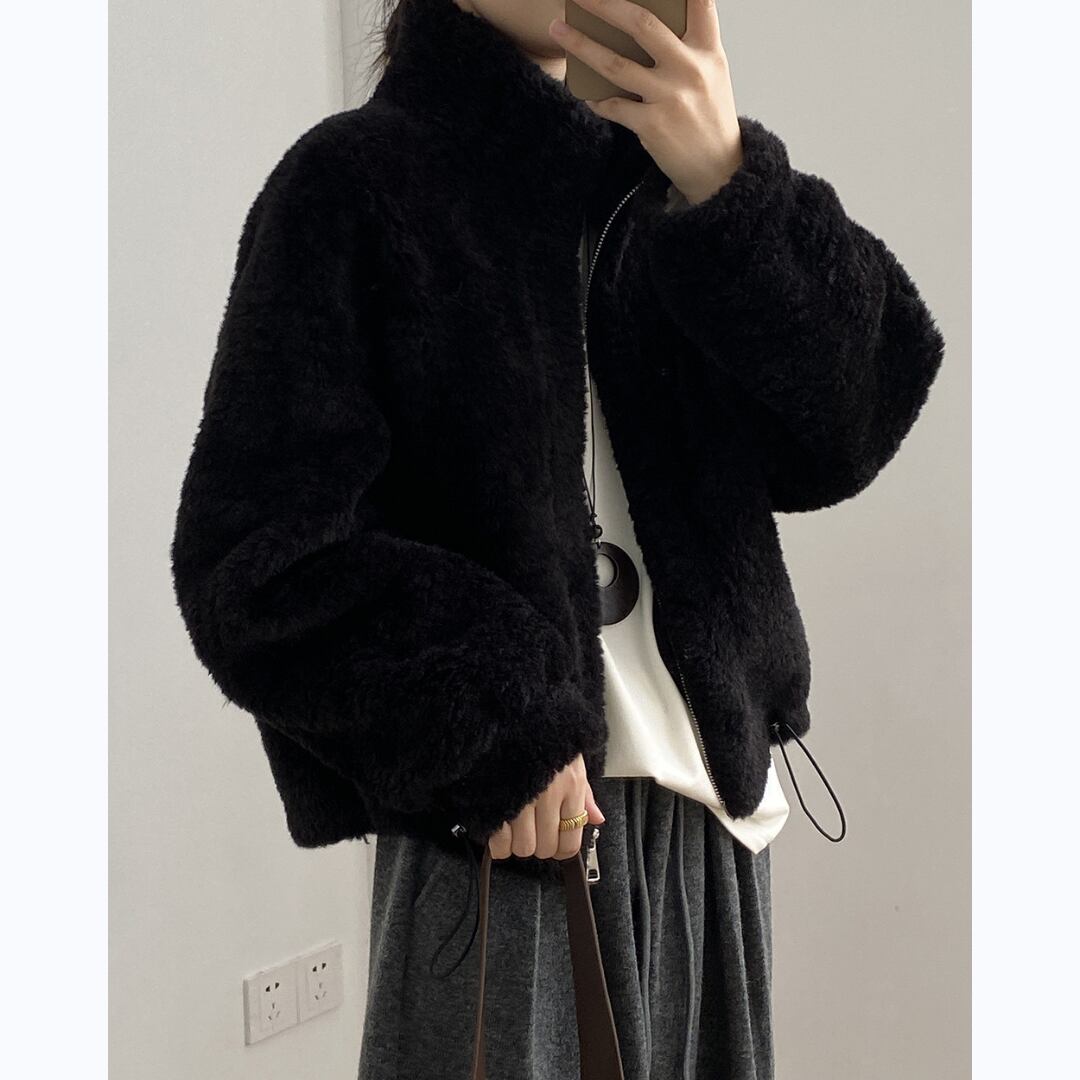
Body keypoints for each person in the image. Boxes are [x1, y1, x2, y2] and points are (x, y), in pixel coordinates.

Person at [170, 1, 945, 1077]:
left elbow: (856, 421)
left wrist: (730, 184)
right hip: (509, 837)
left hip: (712, 834)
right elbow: (254, 561)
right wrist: (499, 719)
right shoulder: (356, 183)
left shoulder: (676, 188)